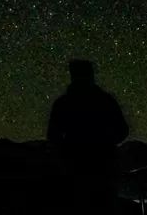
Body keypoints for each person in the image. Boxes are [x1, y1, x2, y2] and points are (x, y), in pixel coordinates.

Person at [48, 60, 129, 214]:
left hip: (75, 171)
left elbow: (53, 137)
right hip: (104, 169)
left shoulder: (62, 104)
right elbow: (123, 131)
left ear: (72, 76)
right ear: (91, 75)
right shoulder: (106, 101)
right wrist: (106, 144)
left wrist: (67, 154)